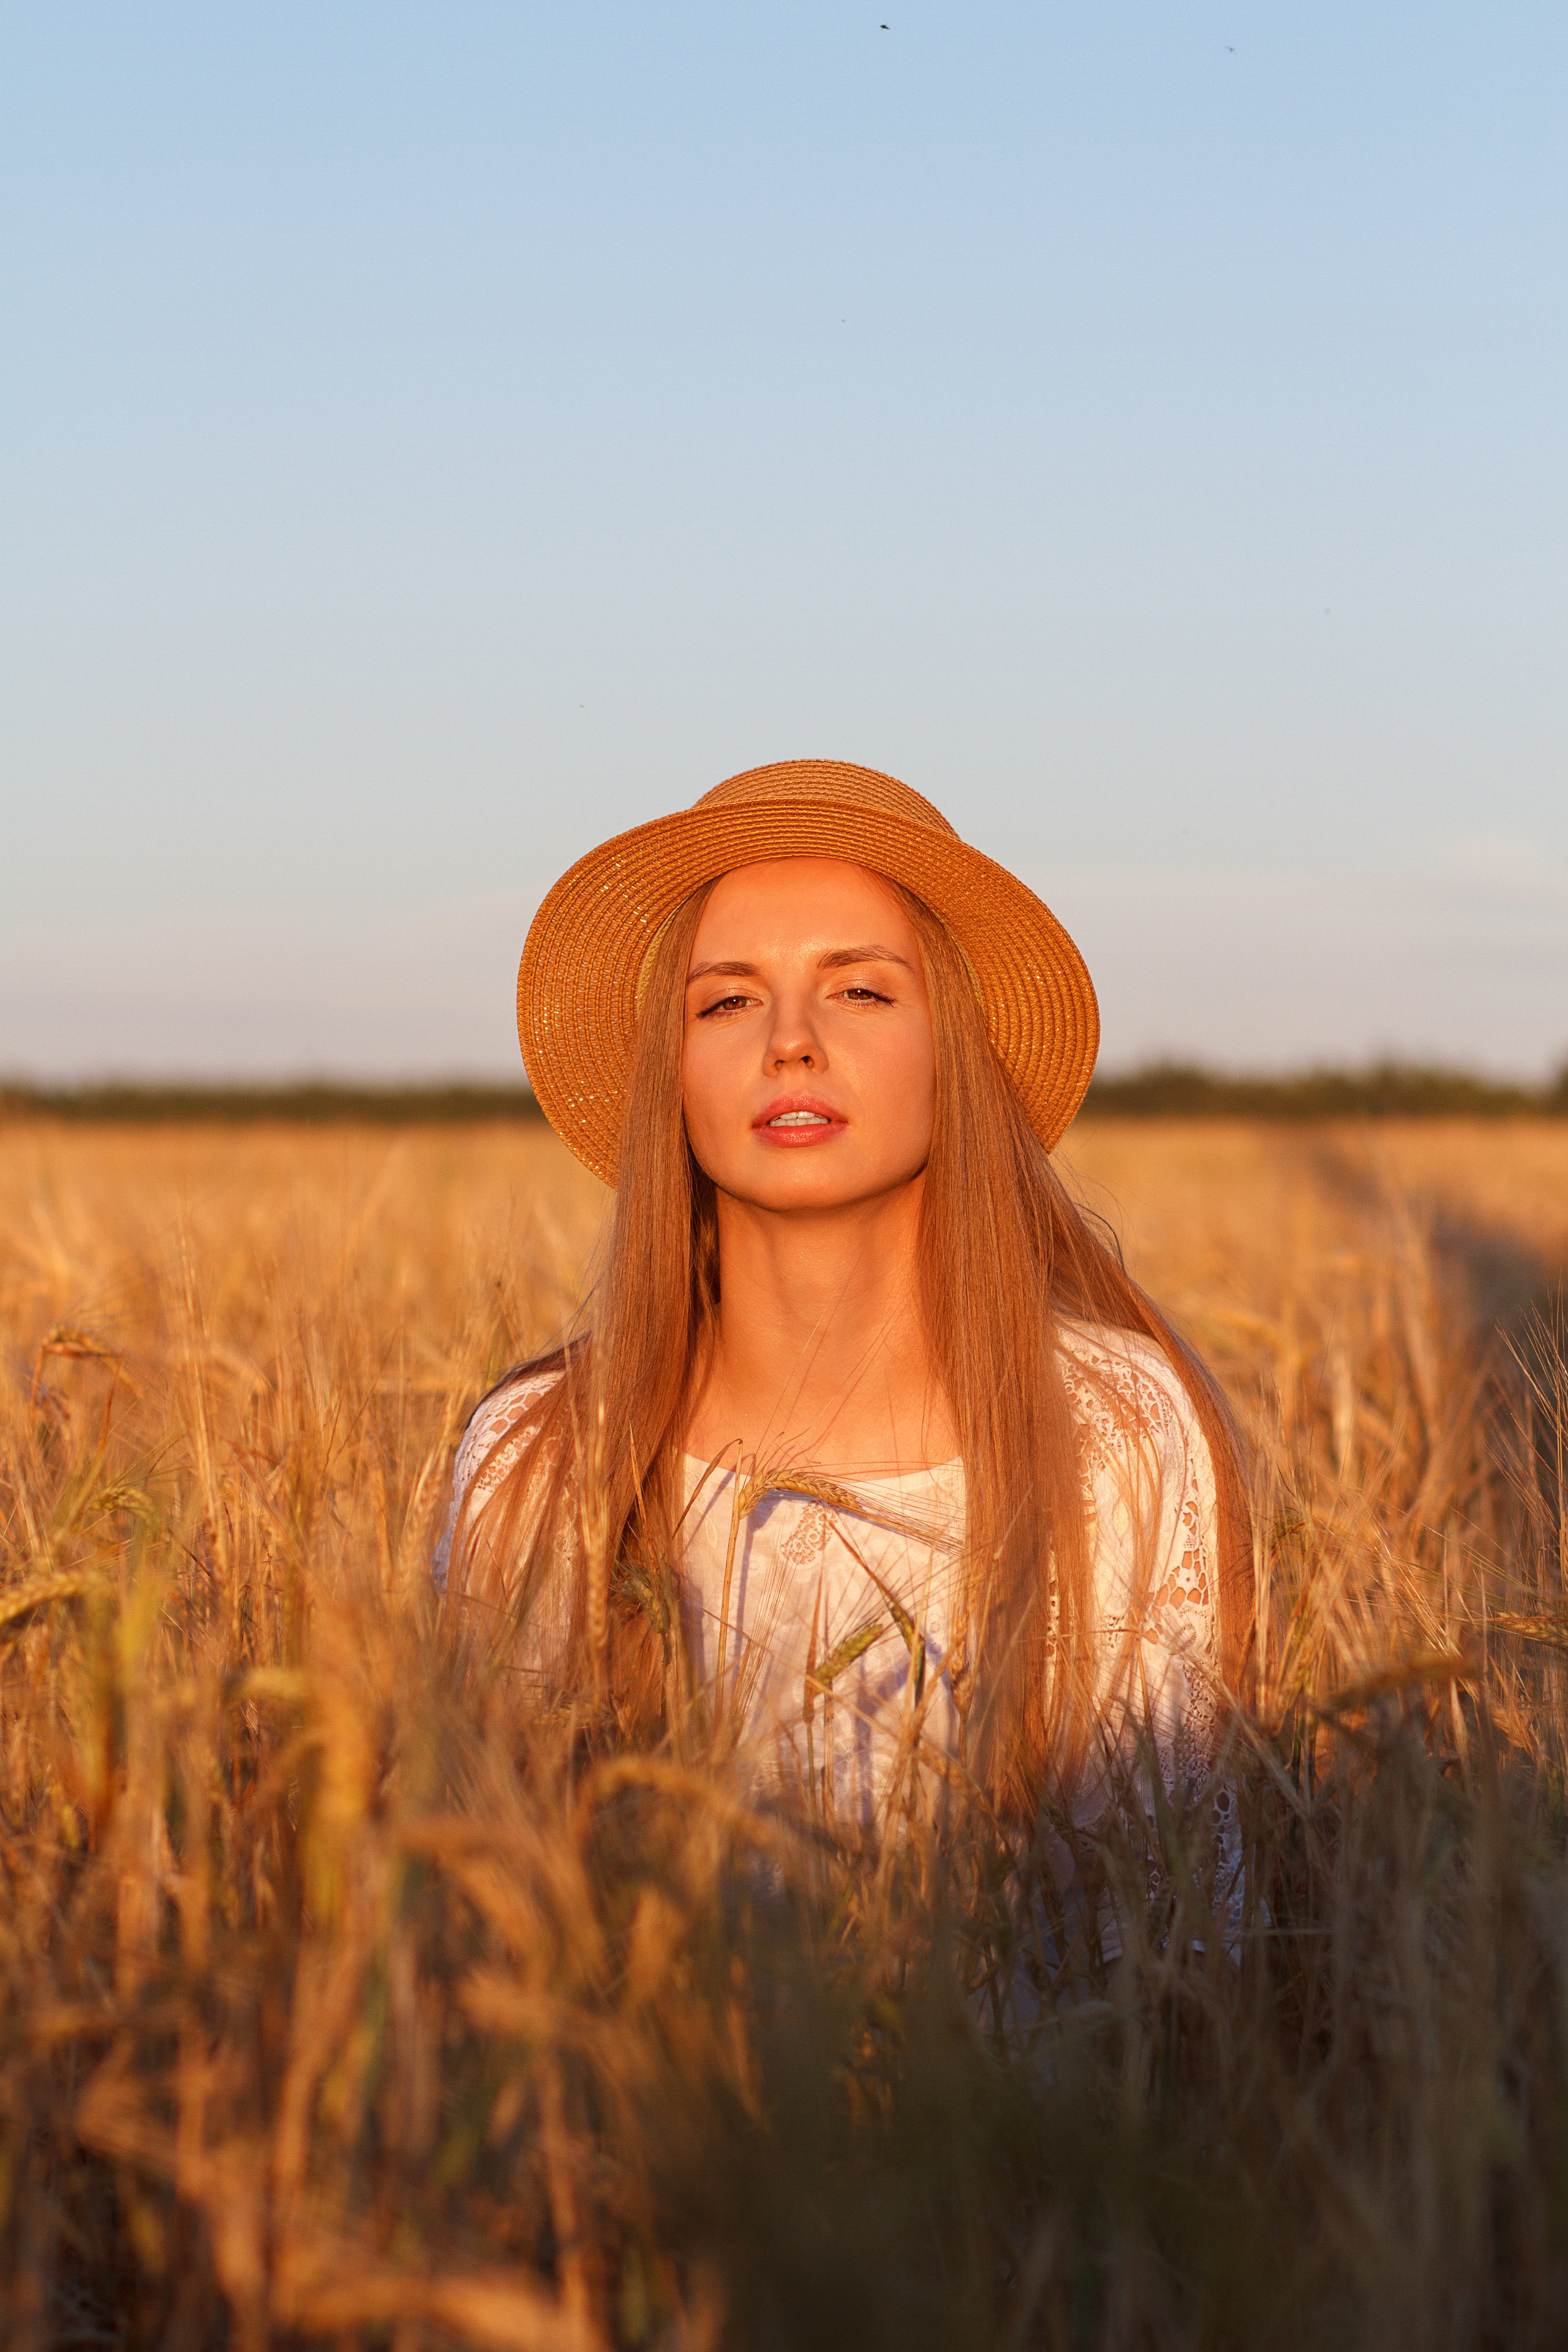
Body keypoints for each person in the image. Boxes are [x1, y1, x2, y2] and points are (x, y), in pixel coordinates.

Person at [436, 758, 1251, 1891]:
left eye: (860, 989)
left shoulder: (1112, 1428)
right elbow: (486, 1922)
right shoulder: (539, 1463)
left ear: (951, 1050)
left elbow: (1163, 1947)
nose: (791, 1040)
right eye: (725, 1000)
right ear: (668, 1077)